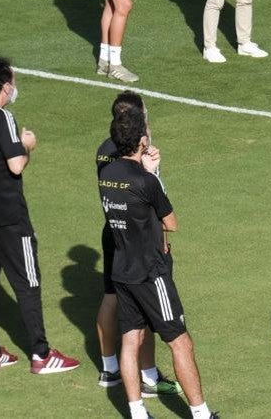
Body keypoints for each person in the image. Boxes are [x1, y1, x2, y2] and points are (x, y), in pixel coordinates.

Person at [0, 57, 80, 373]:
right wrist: (28, 145)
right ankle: (41, 355)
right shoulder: (3, 117)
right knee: (28, 282)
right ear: (6, 85)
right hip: (10, 216)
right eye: (12, 81)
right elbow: (15, 164)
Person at [100, 105, 217, 419]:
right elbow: (172, 222)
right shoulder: (145, 181)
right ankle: (201, 413)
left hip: (122, 269)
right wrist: (154, 174)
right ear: (140, 141)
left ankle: (137, 412)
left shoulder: (106, 174)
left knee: (131, 339)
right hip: (151, 272)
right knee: (180, 341)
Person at [95, 91, 180, 397]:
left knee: (112, 297)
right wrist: (152, 172)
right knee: (149, 310)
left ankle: (110, 367)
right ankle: (150, 377)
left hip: (114, 231)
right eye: (144, 114)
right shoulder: (134, 156)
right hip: (141, 240)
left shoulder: (105, 150)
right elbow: (159, 210)